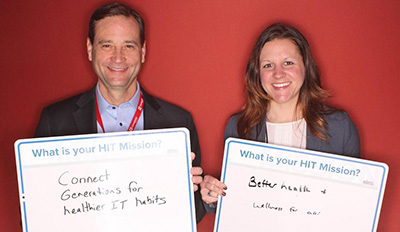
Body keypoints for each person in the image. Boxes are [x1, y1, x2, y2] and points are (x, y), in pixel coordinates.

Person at [34, 2, 205, 222]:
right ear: (90, 49)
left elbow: (195, 213)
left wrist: (188, 194)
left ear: (142, 51)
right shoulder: (54, 121)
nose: (118, 57)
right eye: (106, 45)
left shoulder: (178, 122)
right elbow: (34, 215)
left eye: (129, 46)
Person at [200, 22, 360, 210]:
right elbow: (236, 204)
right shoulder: (239, 127)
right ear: (257, 73)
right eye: (268, 65)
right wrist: (213, 196)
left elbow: (353, 205)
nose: (278, 74)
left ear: (306, 67)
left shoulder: (339, 127)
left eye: (288, 63)